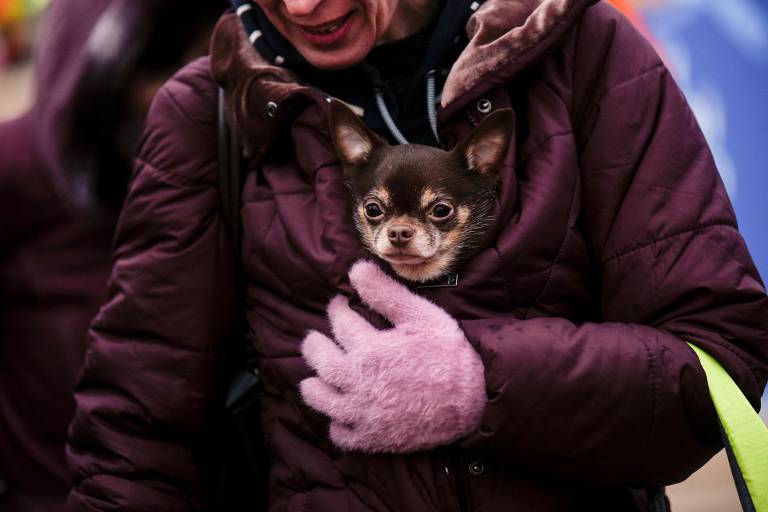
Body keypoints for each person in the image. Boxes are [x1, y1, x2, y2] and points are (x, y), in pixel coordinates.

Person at [65, 0, 768, 510]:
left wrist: (479, 384)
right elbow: (135, 431)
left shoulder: (584, 52)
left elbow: (716, 365)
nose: (303, 7)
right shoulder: (209, 114)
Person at [0, 1, 225, 510]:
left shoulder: (233, 177)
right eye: (155, 66)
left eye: (200, 64)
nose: (175, 94)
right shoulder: (17, 172)